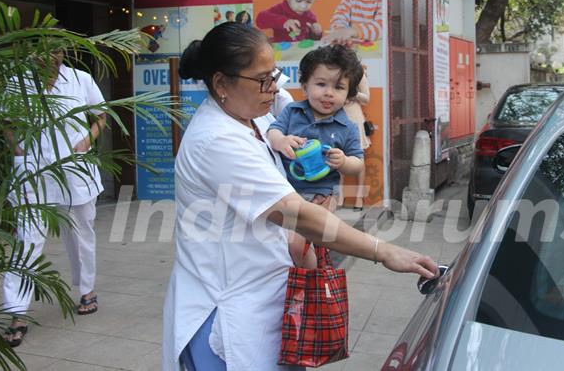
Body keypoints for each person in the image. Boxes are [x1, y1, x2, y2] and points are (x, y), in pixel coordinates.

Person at [162, 23, 437, 370]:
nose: (274, 87)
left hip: (265, 296)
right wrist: (384, 251)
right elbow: (298, 214)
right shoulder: (218, 141)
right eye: (263, 79)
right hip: (226, 315)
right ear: (221, 83)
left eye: (274, 74)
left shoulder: (256, 119)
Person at [2, 50, 106, 347]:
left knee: (81, 233)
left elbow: (102, 113)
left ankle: (87, 290)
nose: (53, 54)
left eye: (59, 49)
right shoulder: (18, 81)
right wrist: (17, 149)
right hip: (33, 172)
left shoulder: (79, 79)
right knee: (26, 240)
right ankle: (17, 312)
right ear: (34, 49)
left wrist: (87, 140)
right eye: (46, 47)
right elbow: (6, 120)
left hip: (73, 168)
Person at [267, 45, 363, 210]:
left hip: (324, 194)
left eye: (338, 87)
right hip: (285, 189)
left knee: (319, 231)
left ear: (348, 96)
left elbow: (358, 163)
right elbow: (272, 132)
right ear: (305, 87)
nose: (329, 93)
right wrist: (281, 140)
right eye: (321, 84)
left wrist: (344, 162)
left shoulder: (348, 127)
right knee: (291, 232)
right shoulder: (292, 111)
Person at [339, 65, 371, 211]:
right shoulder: (334, 72)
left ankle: (359, 198)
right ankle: (339, 196)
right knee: (336, 155)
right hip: (337, 115)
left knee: (359, 158)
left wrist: (352, 93)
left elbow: (366, 98)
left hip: (354, 116)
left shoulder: (359, 74)